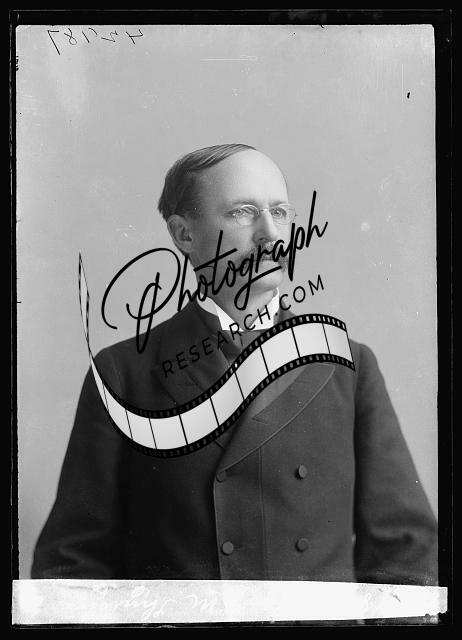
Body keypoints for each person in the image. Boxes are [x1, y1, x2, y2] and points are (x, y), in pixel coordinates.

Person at [32, 144, 438, 584]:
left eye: (279, 213)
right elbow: (71, 564)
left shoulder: (347, 365)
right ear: (184, 234)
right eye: (243, 212)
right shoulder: (123, 373)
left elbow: (407, 552)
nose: (270, 234)